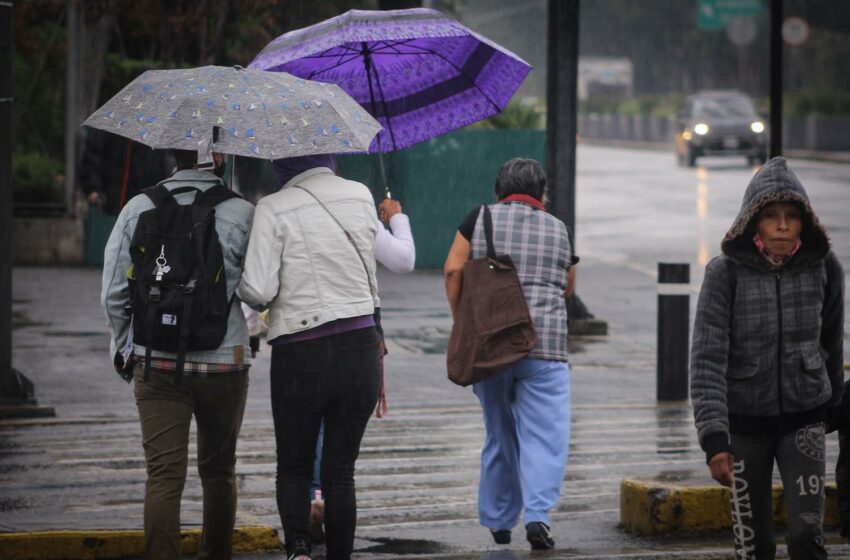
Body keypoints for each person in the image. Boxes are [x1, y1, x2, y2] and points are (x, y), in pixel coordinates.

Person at [101, 150, 255, 559]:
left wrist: (125, 349)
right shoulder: (241, 212)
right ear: (217, 154)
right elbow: (258, 291)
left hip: (156, 363)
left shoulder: (138, 208)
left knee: (164, 478)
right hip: (224, 364)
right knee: (219, 472)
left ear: (173, 154)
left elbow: (114, 293)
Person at [690, 156, 844, 560]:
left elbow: (831, 340)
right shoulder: (725, 273)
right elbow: (706, 358)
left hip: (805, 421)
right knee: (752, 543)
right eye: (771, 215)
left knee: (806, 536)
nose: (781, 225)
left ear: (804, 221)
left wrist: (834, 407)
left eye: (791, 216)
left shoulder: (825, 267)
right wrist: (714, 439)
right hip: (743, 426)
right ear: (752, 221)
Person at [237, 154, 383, 560]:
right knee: (341, 472)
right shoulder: (360, 194)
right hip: (359, 348)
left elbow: (259, 291)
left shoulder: (272, 206)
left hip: (300, 353)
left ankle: (299, 548)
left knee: (295, 464)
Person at [443, 157, 574, 550]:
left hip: (490, 343)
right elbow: (567, 285)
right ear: (541, 193)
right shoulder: (559, 228)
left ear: (499, 190)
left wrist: (464, 321)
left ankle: (500, 522)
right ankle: (537, 516)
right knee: (544, 436)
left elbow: (453, 270)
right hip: (544, 346)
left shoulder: (479, 218)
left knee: (500, 435)